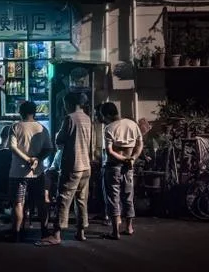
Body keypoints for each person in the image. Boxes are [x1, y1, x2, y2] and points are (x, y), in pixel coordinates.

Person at [37, 92, 91, 246]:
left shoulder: (69, 118)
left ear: (69, 103)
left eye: (64, 104)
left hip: (72, 164)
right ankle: (81, 231)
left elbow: (60, 141)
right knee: (81, 200)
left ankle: (57, 234)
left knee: (63, 199)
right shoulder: (87, 119)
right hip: (86, 165)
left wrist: (56, 136)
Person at [9, 101, 53, 242]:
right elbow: (49, 148)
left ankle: (16, 233)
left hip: (17, 172)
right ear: (34, 112)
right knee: (41, 202)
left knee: (18, 203)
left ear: (20, 112)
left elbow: (12, 147)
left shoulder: (15, 127)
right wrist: (37, 159)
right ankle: (44, 231)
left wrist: (27, 159)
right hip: (37, 172)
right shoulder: (42, 128)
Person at [99, 102, 143, 240]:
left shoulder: (109, 128)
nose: (103, 119)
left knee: (113, 198)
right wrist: (132, 158)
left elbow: (110, 151)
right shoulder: (132, 124)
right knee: (128, 197)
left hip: (113, 167)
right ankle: (129, 227)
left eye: (103, 116)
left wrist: (123, 159)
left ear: (107, 115)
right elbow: (140, 143)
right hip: (128, 167)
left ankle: (115, 231)